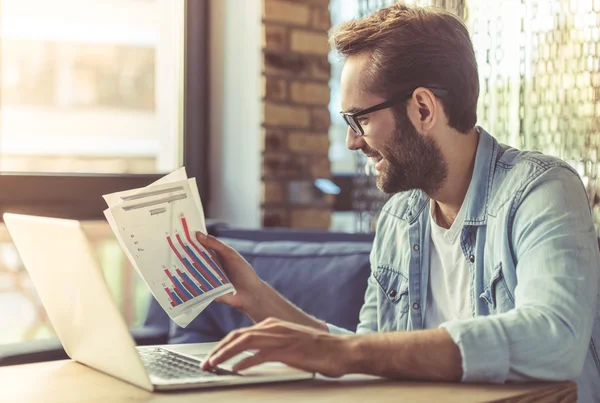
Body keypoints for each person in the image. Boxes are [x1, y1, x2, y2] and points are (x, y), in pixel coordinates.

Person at [196, 3, 600, 401]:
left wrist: (346, 353)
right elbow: (368, 354)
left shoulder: (541, 190)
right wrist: (256, 296)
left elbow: (554, 338)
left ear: (423, 108)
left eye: (361, 119)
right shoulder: (399, 219)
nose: (353, 141)